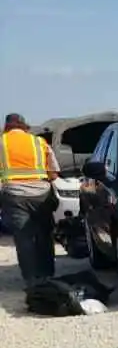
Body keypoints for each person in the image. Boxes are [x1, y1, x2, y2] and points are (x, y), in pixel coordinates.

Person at [0, 112, 60, 287]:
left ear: (7, 127)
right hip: (41, 193)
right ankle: (47, 276)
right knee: (44, 235)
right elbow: (54, 174)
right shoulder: (39, 142)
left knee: (24, 238)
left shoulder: (2, 143)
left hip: (14, 195)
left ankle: (32, 281)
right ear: (25, 127)